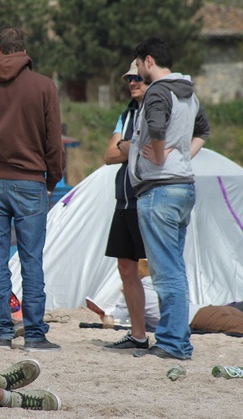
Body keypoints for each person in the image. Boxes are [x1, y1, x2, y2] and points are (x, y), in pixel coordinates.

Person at [0, 27, 65, 351]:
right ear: (23, 50)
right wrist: (51, 181)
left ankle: (3, 334)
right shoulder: (45, 87)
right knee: (31, 259)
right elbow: (54, 143)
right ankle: (34, 335)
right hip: (32, 181)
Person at [123, 38, 210, 360]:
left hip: (159, 189)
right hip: (183, 186)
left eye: (138, 65)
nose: (137, 72)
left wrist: (159, 157)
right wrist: (184, 155)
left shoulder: (158, 90)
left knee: (165, 271)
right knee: (175, 267)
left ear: (148, 61)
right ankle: (180, 340)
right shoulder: (188, 94)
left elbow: (156, 128)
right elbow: (204, 130)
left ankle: (172, 343)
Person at [101, 60, 149, 351]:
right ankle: (139, 335)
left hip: (148, 198)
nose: (131, 82)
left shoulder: (158, 108)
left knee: (162, 269)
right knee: (125, 267)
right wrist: (131, 148)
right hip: (125, 201)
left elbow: (151, 151)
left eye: (137, 78)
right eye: (129, 78)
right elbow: (108, 155)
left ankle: (172, 336)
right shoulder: (127, 113)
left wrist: (126, 146)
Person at [111, 261, 243, 336]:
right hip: (208, 309)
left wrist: (124, 293)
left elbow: (117, 317)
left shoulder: (138, 291)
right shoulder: (160, 284)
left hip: (197, 317)